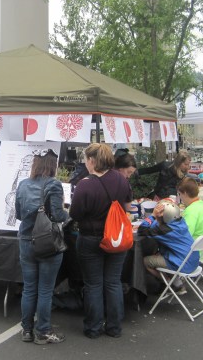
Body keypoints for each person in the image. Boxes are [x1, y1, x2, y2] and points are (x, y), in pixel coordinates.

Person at [69, 143, 132, 339]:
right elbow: (128, 207)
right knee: (113, 282)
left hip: (91, 238)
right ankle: (114, 327)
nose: (85, 163)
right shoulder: (121, 180)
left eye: (86, 160)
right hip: (116, 238)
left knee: (93, 284)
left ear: (92, 160)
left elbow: (75, 214)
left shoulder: (85, 184)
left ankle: (93, 328)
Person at [15, 148, 68, 345]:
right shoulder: (54, 184)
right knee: (45, 290)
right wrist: (69, 213)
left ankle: (27, 330)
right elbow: (58, 216)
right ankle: (43, 332)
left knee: (29, 288)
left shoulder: (22, 184)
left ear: (35, 164)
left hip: (26, 240)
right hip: (47, 242)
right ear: (53, 165)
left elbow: (18, 214)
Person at [138, 201, 199, 296]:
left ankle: (169, 283)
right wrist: (159, 219)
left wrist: (153, 216)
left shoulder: (165, 230)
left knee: (145, 261)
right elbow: (157, 227)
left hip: (183, 264)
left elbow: (142, 230)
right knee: (159, 255)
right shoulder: (180, 222)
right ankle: (178, 284)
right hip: (192, 260)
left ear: (165, 217)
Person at [177, 177, 203, 263]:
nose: (180, 197)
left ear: (185, 193)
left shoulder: (191, 211)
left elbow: (184, 237)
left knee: (148, 260)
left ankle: (170, 273)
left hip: (191, 256)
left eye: (179, 194)